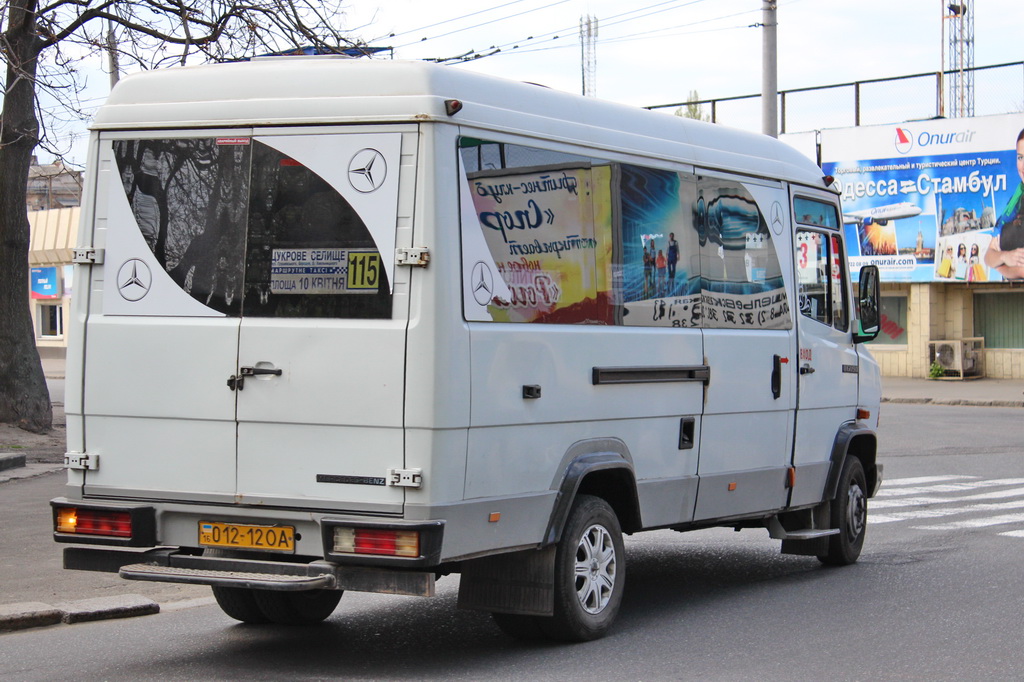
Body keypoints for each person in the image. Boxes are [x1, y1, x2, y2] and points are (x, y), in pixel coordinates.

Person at [984, 128, 1024, 279]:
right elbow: (989, 256)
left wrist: (1005, 267)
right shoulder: (1016, 200)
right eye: (1020, 157)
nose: (1023, 165)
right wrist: (1005, 257)